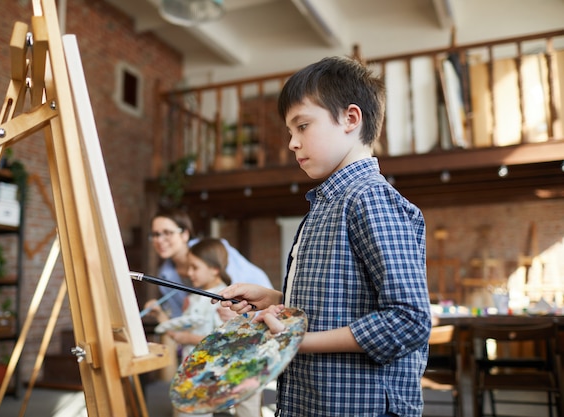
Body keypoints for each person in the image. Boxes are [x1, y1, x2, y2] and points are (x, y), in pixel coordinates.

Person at [216, 56, 431, 417]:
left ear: (350, 118)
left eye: (302, 126)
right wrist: (277, 299)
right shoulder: (329, 202)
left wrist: (297, 340)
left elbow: (409, 319)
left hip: (358, 406)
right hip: (314, 401)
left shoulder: (368, 198)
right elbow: (345, 300)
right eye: (289, 132)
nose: (292, 144)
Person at [146, 238, 263, 417]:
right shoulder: (193, 298)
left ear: (214, 269)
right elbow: (176, 332)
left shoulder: (226, 299)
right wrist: (160, 314)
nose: (189, 272)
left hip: (220, 373)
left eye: (195, 267)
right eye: (188, 267)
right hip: (197, 372)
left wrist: (187, 338)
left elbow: (226, 342)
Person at [148, 207, 273, 319]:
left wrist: (244, 314)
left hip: (260, 310)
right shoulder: (164, 275)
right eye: (155, 234)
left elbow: (235, 293)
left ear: (185, 234)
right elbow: (180, 317)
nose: (159, 240)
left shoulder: (213, 251)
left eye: (167, 233)